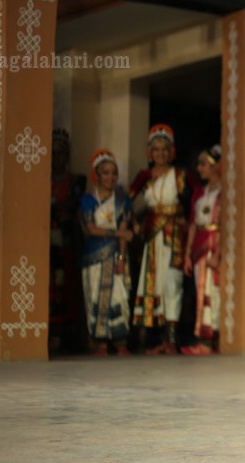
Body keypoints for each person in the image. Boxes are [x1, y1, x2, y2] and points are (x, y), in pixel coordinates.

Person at [130, 123, 189, 355]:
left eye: (165, 148)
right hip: (152, 238)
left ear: (171, 151)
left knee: (172, 284)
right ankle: (157, 338)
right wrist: (133, 224)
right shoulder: (144, 177)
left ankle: (172, 340)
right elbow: (129, 205)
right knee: (152, 286)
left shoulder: (181, 176)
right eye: (156, 149)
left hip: (173, 236)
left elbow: (191, 205)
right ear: (150, 152)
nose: (161, 153)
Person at [79, 150, 134, 355]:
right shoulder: (87, 200)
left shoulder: (122, 200)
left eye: (113, 173)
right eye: (106, 173)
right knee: (95, 295)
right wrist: (120, 232)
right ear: (97, 175)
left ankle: (120, 342)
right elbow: (91, 229)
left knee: (118, 296)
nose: (110, 178)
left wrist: (120, 258)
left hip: (115, 255)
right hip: (94, 256)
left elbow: (125, 233)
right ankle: (100, 341)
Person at [182, 145, 223, 355]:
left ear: (215, 166)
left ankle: (210, 340)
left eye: (203, 164)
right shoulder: (199, 193)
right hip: (199, 246)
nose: (199, 169)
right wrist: (187, 254)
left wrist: (217, 253)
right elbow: (192, 224)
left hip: (213, 246)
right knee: (200, 291)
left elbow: (225, 224)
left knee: (212, 292)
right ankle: (203, 339)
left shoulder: (224, 193)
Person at [50, 128, 87, 354]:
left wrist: (53, 208)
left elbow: (72, 205)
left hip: (67, 240)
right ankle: (51, 333)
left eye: (61, 153)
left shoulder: (76, 180)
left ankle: (69, 336)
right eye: (53, 153)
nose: (56, 158)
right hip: (49, 242)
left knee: (69, 287)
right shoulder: (40, 180)